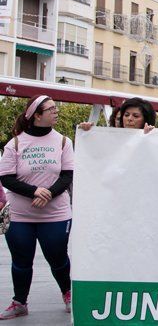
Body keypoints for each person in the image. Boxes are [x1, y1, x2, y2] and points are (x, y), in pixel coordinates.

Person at [0, 96, 73, 319]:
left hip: (56, 213)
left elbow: (67, 174)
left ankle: (68, 293)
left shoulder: (63, 141)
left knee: (58, 257)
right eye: (50, 109)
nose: (56, 112)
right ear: (36, 115)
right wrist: (34, 191)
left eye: (55, 108)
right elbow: (6, 178)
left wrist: (49, 192)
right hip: (20, 215)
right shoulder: (15, 143)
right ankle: (20, 302)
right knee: (21, 261)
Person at [80, 97, 157, 133]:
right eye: (126, 115)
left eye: (135, 116)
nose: (129, 119)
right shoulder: (109, 136)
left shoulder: (153, 138)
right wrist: (88, 132)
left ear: (146, 120)